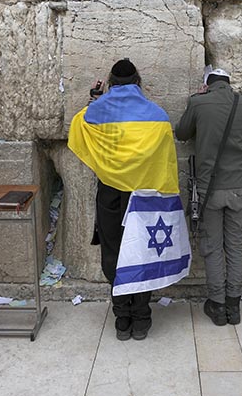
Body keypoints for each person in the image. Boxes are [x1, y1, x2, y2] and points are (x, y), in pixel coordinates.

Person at [68, 59, 179, 341]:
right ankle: (141, 318)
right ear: (138, 81)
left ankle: (121, 319)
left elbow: (78, 126)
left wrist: (94, 99)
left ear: (111, 82)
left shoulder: (95, 113)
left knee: (113, 252)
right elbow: (165, 161)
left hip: (110, 194)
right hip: (144, 196)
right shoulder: (158, 116)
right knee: (142, 252)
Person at [175, 68, 242, 326]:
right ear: (229, 83)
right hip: (239, 188)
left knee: (212, 249)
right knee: (235, 248)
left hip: (209, 189)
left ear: (206, 84)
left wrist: (197, 101)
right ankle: (234, 307)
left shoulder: (199, 102)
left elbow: (181, 132)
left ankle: (218, 307)